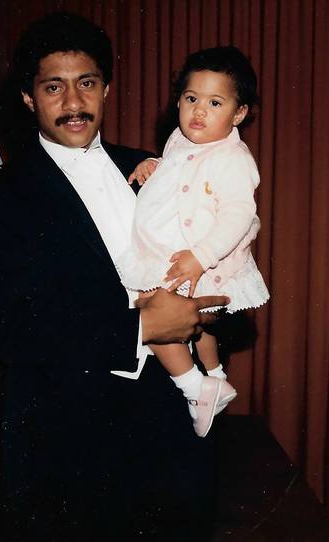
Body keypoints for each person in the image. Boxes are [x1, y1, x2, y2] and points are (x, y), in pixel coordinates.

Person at [0, 13, 230, 541]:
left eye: (87, 83)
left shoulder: (159, 169)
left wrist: (214, 306)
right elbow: (15, 329)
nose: (73, 102)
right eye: (53, 87)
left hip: (171, 431)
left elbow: (218, 264)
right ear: (29, 98)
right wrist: (143, 328)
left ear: (107, 87)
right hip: (65, 448)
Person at [121, 46, 269, 438]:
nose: (199, 112)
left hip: (198, 257)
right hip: (173, 250)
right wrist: (154, 164)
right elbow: (174, 172)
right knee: (197, 328)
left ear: (239, 114)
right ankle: (216, 375)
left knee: (151, 315)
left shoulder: (233, 158)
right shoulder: (179, 139)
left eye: (214, 103)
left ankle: (195, 386)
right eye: (191, 99)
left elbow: (238, 214)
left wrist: (201, 257)